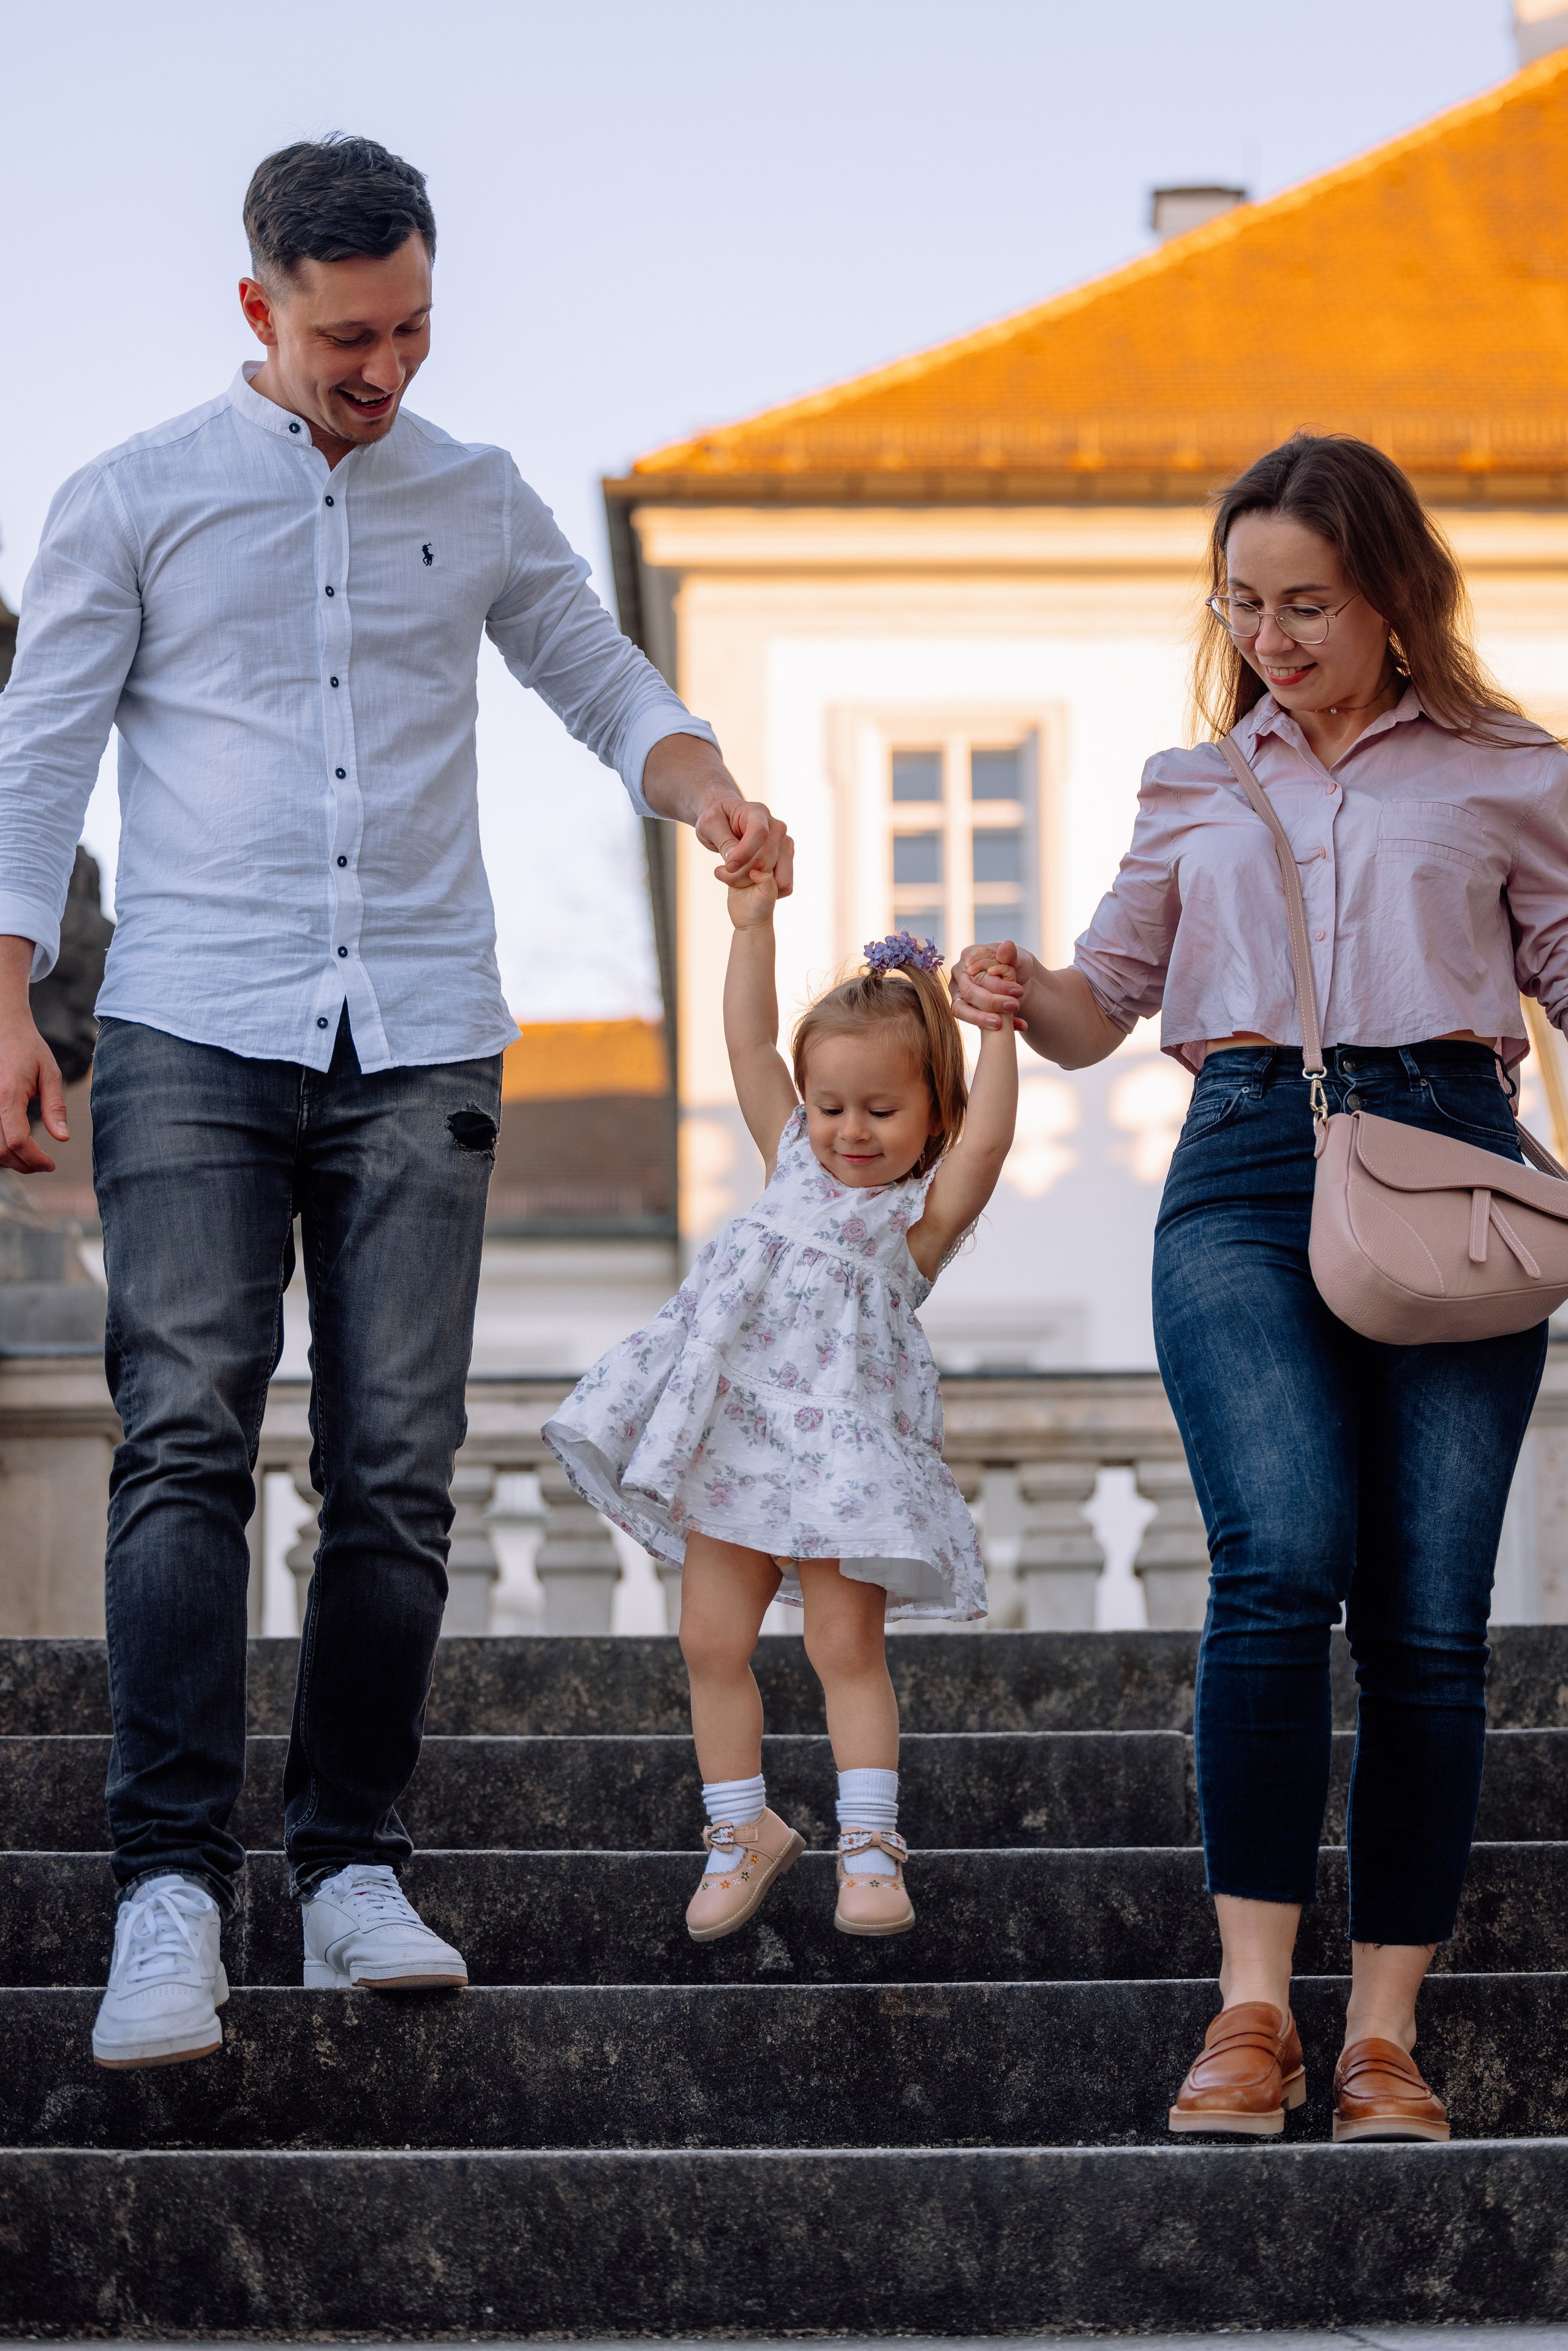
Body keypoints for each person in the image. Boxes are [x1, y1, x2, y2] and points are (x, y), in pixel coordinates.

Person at [0, 135, 791, 2070]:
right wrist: (6, 994)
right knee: (184, 1433)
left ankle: (350, 1861)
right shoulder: (136, 499)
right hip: (192, 1020)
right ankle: (171, 1890)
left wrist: (706, 790)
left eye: (415, 324)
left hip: (423, 1025)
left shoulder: (476, 492)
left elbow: (602, 677)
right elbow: (38, 755)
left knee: (396, 1468)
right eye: (351, 334)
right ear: (260, 308)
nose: (388, 366)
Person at [951, 431, 1568, 2143]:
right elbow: (1103, 1008)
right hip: (1241, 1161)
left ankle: (1381, 2034)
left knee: (1434, 1615)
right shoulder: (1195, 783)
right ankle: (1249, 2016)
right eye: (1245, 602)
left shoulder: (1517, 768)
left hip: (1452, 1154)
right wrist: (1025, 990)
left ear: (1393, 600)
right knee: (1279, 1557)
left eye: (1308, 602)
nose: (1273, 634)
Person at [545, 888, 1017, 1940]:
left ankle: (868, 1844)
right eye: (832, 1105)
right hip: (735, 1447)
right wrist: (751, 927)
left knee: (845, 1649)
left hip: (842, 1467)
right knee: (710, 1640)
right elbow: (751, 1041)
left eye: (882, 1111)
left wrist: (997, 1038)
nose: (850, 1130)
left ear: (932, 1112)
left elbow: (985, 1151)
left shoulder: (913, 1227)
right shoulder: (788, 1161)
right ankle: (739, 1828)